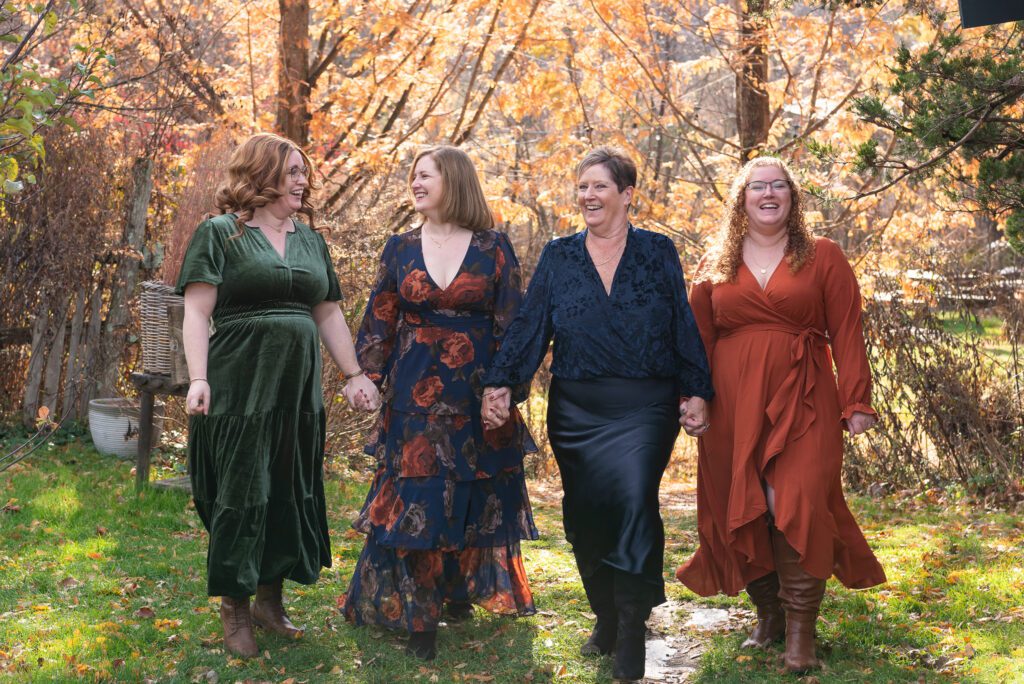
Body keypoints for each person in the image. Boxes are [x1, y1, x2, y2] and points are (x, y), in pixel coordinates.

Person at [482, 146, 713, 683]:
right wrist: (502, 383)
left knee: (633, 502)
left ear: (627, 195)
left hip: (644, 404)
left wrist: (696, 389)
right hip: (577, 408)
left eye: (599, 186)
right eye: (582, 187)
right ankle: (606, 615)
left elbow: (682, 322)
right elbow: (532, 324)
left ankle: (632, 630)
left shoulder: (658, 252)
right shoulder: (561, 255)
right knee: (586, 518)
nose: (588, 196)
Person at [674, 156, 886, 673]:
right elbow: (697, 339)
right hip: (732, 402)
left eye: (778, 186)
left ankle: (800, 634)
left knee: (798, 499)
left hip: (806, 396)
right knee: (742, 502)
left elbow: (848, 332)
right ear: (741, 199)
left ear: (792, 197)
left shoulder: (823, 256)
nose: (768, 194)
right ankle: (767, 614)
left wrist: (856, 399)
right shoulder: (716, 263)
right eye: (757, 187)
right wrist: (694, 397)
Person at [178, 132, 379, 658]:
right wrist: (198, 378)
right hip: (239, 385)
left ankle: (270, 599)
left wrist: (354, 373)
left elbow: (328, 312)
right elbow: (197, 311)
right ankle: (235, 607)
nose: (302, 180)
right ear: (261, 174)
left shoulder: (311, 240)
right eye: (292, 170)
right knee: (241, 491)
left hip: (296, 390)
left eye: (303, 171)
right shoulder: (220, 234)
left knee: (287, 486)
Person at [339, 145, 538, 661]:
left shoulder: (494, 247)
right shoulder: (400, 247)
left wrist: (506, 389)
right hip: (414, 393)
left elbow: (513, 326)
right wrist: (364, 376)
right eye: (414, 176)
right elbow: (379, 318)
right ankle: (419, 619)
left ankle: (456, 590)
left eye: (426, 175)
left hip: (477, 393)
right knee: (417, 499)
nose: (416, 183)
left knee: (472, 494)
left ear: (454, 181)